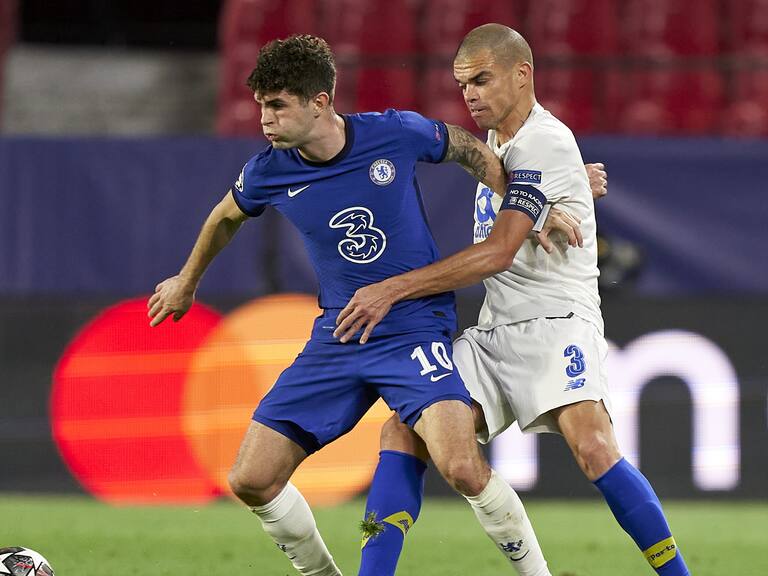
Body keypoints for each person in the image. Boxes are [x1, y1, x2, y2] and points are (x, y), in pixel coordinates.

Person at [147, 34, 581, 576]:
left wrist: (532, 212)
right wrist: (186, 282)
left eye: (278, 104)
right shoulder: (268, 170)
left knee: (462, 467)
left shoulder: (394, 132)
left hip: (415, 328)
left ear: (320, 101)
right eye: (261, 104)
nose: (265, 118)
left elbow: (471, 151)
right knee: (250, 479)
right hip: (341, 334)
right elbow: (224, 216)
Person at [336, 25, 690, 576]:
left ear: (522, 74)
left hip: (557, 323)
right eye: (462, 85)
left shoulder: (544, 141)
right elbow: (530, 188)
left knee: (594, 448)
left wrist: (394, 287)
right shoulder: (502, 145)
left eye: (481, 79)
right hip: (496, 327)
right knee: (404, 429)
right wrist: (571, 185)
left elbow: (498, 253)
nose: (469, 95)